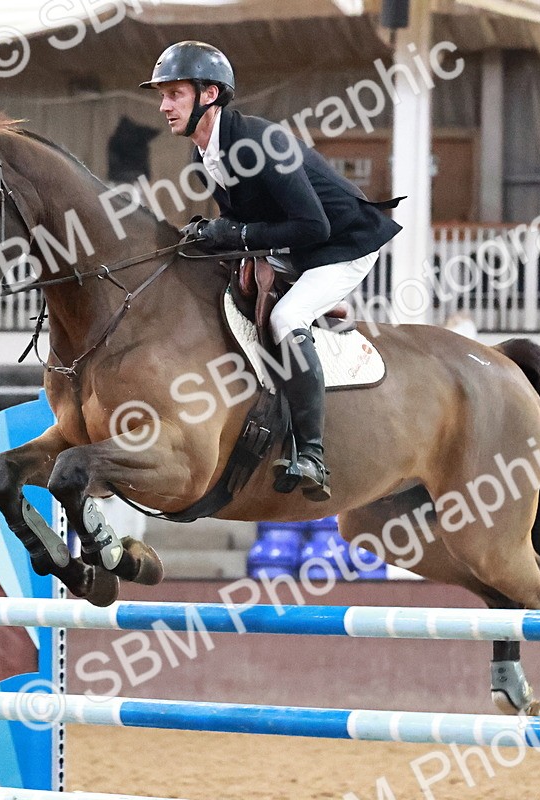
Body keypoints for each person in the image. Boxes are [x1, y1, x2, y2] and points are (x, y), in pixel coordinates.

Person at [141, 41, 402, 502]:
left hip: (341, 244)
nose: (163, 106)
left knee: (286, 319)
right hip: (295, 244)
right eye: (162, 95)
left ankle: (313, 455)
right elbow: (249, 223)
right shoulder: (209, 152)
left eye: (175, 93)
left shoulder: (258, 142)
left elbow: (312, 224)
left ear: (210, 94)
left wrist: (235, 234)